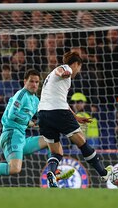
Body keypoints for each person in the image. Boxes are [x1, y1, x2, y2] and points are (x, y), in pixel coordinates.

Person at [0, 69, 74, 187]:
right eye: (31, 81)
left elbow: (44, 116)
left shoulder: (35, 100)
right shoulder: (21, 94)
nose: (34, 84)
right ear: (25, 81)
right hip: (11, 134)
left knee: (51, 140)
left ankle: (54, 172)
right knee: (15, 169)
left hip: (21, 137)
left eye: (37, 82)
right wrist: (30, 123)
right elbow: (12, 114)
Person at [38, 51, 113, 188]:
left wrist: (75, 116)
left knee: (56, 152)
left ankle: (52, 173)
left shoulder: (50, 79)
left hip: (43, 114)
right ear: (76, 64)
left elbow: (62, 100)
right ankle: (103, 173)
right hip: (58, 112)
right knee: (82, 143)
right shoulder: (66, 68)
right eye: (79, 67)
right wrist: (63, 73)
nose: (79, 71)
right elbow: (61, 71)